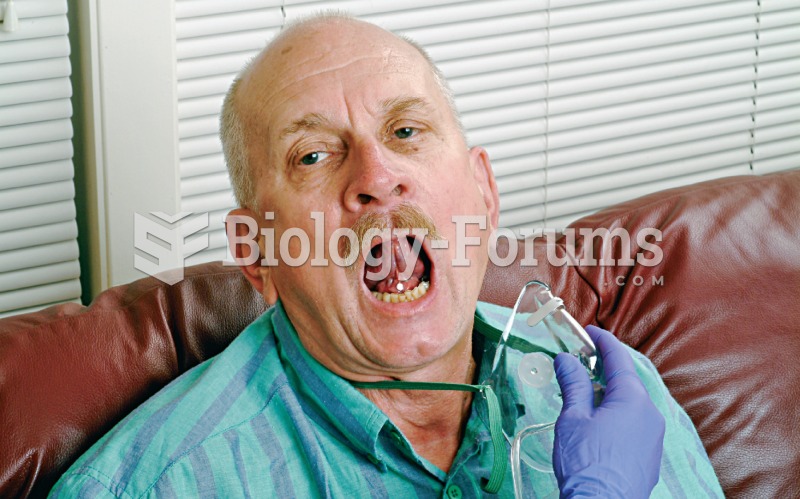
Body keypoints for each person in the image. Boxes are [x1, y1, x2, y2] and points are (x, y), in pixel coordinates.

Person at [50, 13, 723, 498]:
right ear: (256, 252)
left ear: (484, 194)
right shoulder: (149, 485)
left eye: (406, 130)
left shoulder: (619, 392)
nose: (376, 175)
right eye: (313, 154)